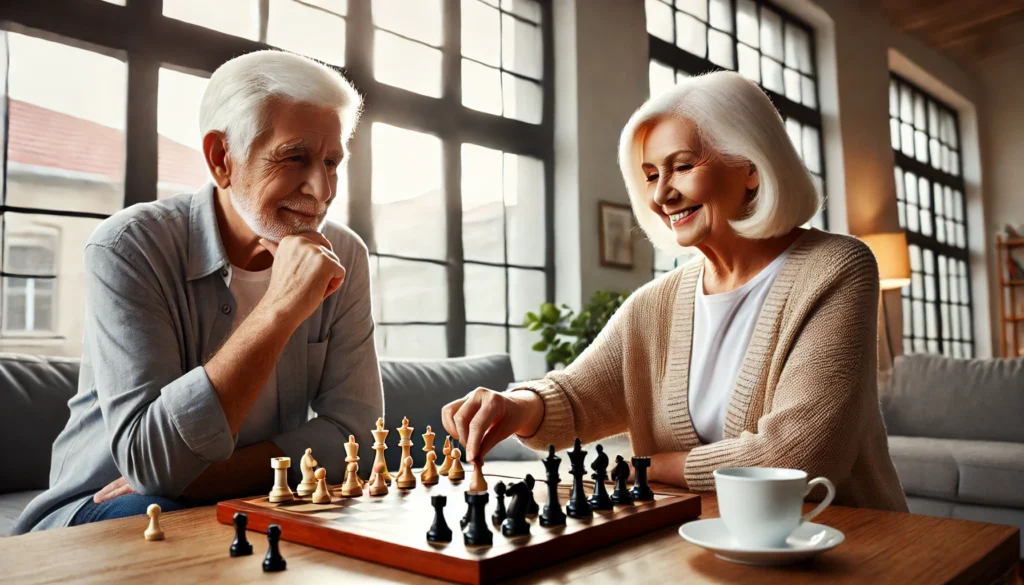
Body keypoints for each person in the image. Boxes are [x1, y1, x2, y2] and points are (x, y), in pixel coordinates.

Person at [442, 71, 908, 512]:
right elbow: (579, 398)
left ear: (750, 167)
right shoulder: (655, 303)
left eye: (682, 167)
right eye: (649, 175)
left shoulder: (837, 267)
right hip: (702, 540)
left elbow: (801, 455)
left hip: (842, 540)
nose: (662, 195)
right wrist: (516, 405)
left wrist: (649, 468)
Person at [15, 50, 383, 533]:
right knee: (191, 525)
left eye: (333, 161)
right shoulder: (129, 246)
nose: (322, 188)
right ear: (221, 159)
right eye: (296, 157)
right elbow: (152, 465)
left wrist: (202, 478)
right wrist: (279, 307)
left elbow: (354, 434)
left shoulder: (345, 253)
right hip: (105, 504)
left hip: (245, 496)